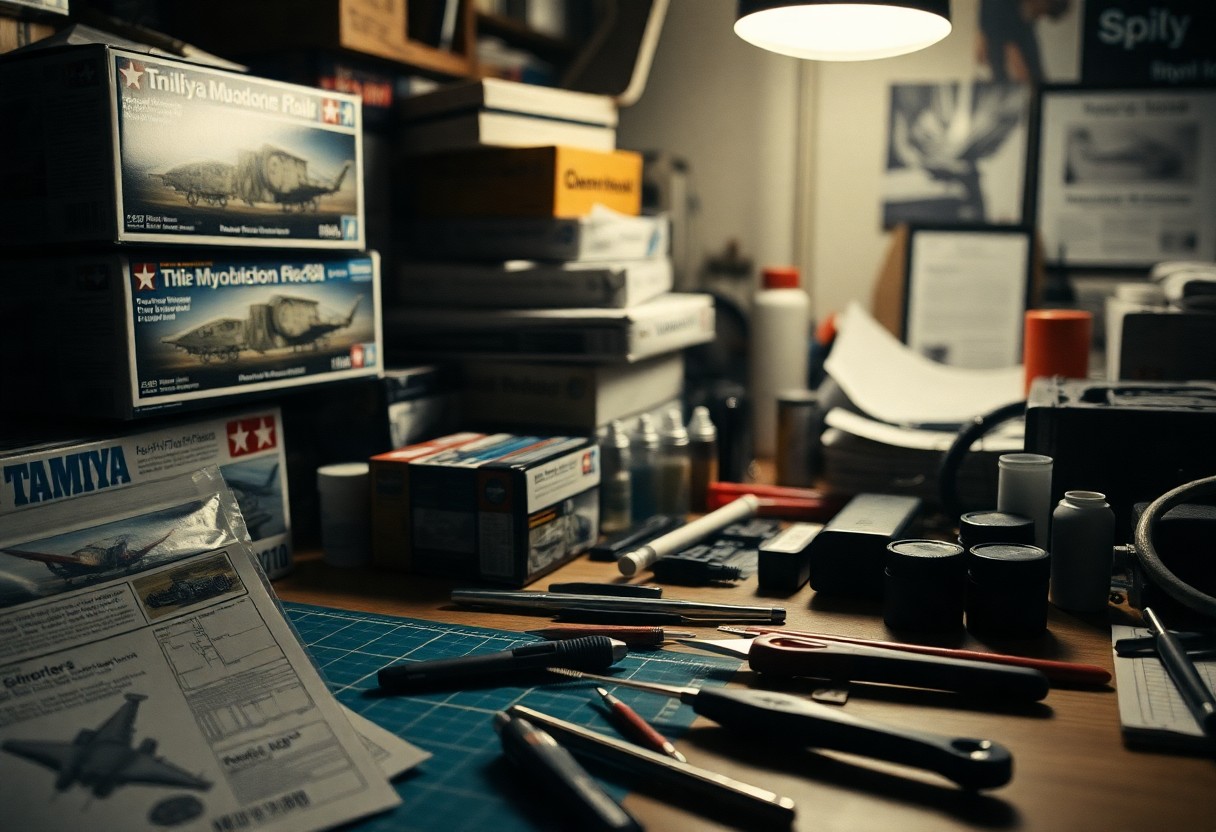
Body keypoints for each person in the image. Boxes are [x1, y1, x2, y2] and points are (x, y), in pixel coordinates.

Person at [977, 0, 1071, 83]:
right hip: (1007, 82)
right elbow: (1011, 54)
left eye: (1044, 13)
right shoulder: (1000, 10)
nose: (1040, 16)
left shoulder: (1026, 26)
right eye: (1043, 11)